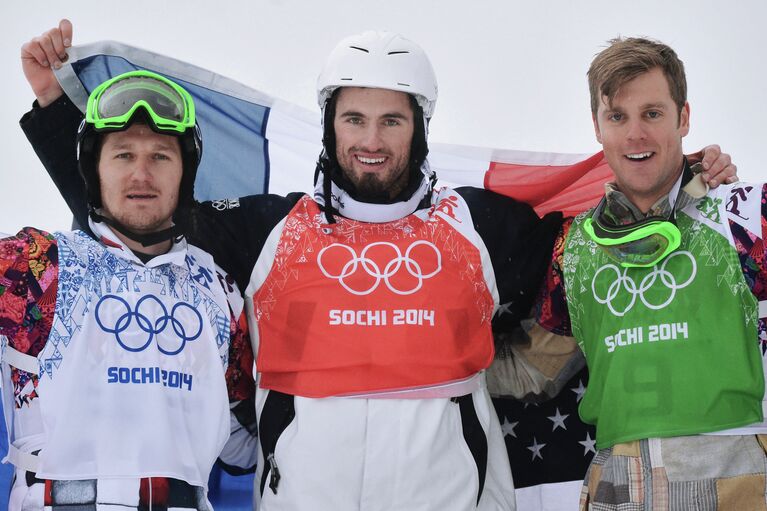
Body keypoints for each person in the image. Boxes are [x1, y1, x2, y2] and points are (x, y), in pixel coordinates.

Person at [19, 22, 738, 510]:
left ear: (419, 126)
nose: (370, 140)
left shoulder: (478, 223)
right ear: (330, 124)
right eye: (353, 119)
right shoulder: (268, 227)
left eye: (391, 120)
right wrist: (58, 113)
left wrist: (682, 188)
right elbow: (141, 208)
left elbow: (601, 261)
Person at [3, 68, 256, 510]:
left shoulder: (221, 290)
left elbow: (244, 447)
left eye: (160, 156)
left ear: (186, 174)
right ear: (93, 171)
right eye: (122, 155)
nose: (142, 174)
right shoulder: (36, 264)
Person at [534, 37, 767, 510]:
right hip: (614, 485)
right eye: (617, 116)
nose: (635, 134)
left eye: (653, 113)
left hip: (735, 477)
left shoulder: (746, 215)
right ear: (597, 127)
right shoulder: (573, 244)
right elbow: (537, 365)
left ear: (684, 118)